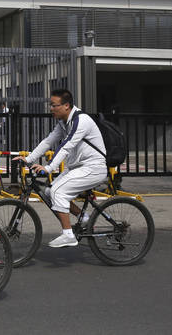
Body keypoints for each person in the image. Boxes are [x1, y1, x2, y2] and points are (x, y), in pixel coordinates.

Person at [13, 89, 108, 248]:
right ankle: (84, 218)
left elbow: (66, 146)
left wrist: (48, 168)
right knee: (50, 192)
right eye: (50, 105)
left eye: (54, 105)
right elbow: (48, 141)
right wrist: (29, 158)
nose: (51, 108)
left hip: (93, 167)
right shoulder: (63, 122)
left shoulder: (81, 120)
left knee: (58, 192)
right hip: (78, 167)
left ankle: (68, 235)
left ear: (66, 106)